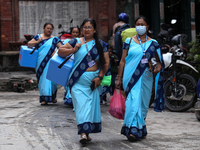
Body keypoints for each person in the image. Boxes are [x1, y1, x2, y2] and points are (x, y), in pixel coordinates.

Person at [58, 18, 109, 144]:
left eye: (89, 27)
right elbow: (60, 52)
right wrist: (73, 50)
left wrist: (100, 77)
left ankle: (86, 132)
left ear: (95, 30)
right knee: (81, 106)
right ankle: (82, 133)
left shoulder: (101, 45)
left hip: (93, 82)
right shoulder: (76, 41)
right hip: (77, 81)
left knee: (90, 107)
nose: (86, 29)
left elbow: (106, 63)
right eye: (84, 27)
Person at [115, 15, 165, 142]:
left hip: (146, 76)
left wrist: (157, 68)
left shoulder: (153, 44)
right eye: (138, 24)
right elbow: (122, 61)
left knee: (142, 103)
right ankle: (132, 130)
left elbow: (159, 62)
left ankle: (140, 128)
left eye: (142, 24)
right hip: (130, 77)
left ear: (147, 27)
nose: (140, 26)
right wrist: (119, 78)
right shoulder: (129, 41)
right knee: (133, 101)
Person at [28, 23, 62, 105]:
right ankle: (43, 98)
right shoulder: (38, 37)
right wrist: (37, 41)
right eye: (47, 28)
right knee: (42, 79)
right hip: (40, 62)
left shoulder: (55, 39)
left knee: (52, 80)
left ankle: (53, 97)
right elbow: (29, 45)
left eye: (51, 29)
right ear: (44, 28)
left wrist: (56, 52)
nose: (49, 30)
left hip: (51, 62)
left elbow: (62, 48)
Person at [63, 26, 80, 106]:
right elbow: (62, 50)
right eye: (74, 32)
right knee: (68, 80)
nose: (75, 34)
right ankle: (68, 97)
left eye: (77, 32)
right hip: (68, 62)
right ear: (71, 33)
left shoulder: (81, 42)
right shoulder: (67, 41)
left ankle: (74, 99)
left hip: (77, 63)